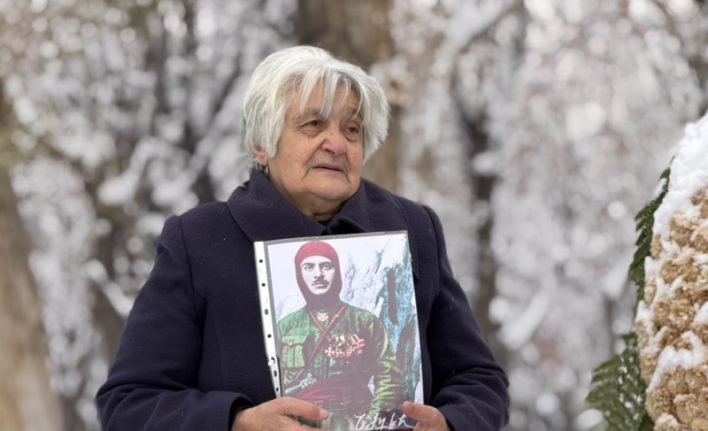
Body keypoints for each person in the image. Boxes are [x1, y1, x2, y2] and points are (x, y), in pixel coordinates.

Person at [97, 45, 509, 431]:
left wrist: (450, 422)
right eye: (313, 124)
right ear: (262, 143)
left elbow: (479, 380)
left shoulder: (412, 229)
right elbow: (129, 402)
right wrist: (235, 421)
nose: (337, 144)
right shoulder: (199, 240)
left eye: (352, 129)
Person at [278, 241, 405, 429]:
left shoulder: (365, 321)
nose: (318, 274)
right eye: (309, 267)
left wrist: (370, 423)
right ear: (299, 273)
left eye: (326, 266)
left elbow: (390, 377)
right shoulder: (285, 327)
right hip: (298, 424)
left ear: (336, 271)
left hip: (354, 421)